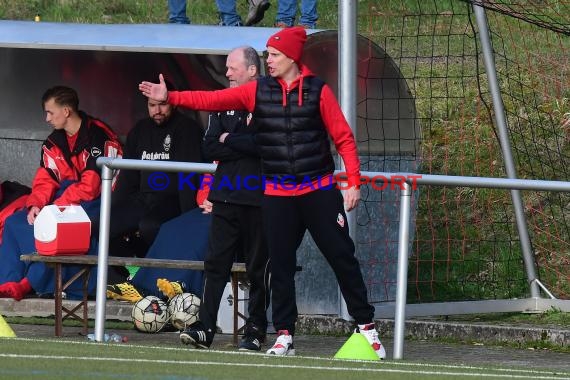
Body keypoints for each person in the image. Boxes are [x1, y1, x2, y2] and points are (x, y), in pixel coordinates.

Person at [138, 26, 386, 359]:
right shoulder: (258, 91)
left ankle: (367, 329)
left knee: (341, 257)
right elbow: (210, 100)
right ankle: (284, 335)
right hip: (278, 195)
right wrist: (170, 97)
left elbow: (343, 138)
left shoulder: (317, 91)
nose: (268, 60)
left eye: (274, 55)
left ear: (292, 58)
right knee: (278, 265)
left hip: (318, 189)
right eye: (268, 54)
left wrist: (353, 181)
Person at [178, 46, 270, 352]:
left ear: (253, 70)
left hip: (261, 198)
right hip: (225, 196)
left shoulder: (270, 101)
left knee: (258, 268)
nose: (227, 73)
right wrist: (241, 143)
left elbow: (266, 146)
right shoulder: (222, 104)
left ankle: (256, 330)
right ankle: (205, 327)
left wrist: (230, 140)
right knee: (215, 264)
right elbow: (209, 148)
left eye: (232, 68)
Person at [0, 86, 122, 300]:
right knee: (14, 222)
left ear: (66, 111)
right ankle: (9, 282)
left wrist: (56, 208)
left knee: (58, 226)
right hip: (64, 201)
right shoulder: (54, 141)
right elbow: (45, 179)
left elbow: (92, 185)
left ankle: (29, 283)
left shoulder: (98, 135)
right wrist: (36, 205)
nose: (46, 118)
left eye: (50, 112)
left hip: (99, 201)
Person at [102, 85, 204, 287]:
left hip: (172, 198)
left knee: (150, 226)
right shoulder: (139, 130)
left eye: (162, 105)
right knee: (103, 225)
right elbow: (127, 177)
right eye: (152, 105)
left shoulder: (187, 128)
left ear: (172, 103)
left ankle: (155, 279)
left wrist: (188, 219)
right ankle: (128, 277)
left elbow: (189, 178)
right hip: (143, 198)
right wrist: (114, 209)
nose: (157, 111)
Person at [106, 186, 212, 302]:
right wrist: (207, 199)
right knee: (170, 228)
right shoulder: (221, 166)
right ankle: (140, 285)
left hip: (229, 211)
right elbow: (208, 182)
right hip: (210, 209)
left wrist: (220, 202)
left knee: (202, 233)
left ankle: (182, 285)